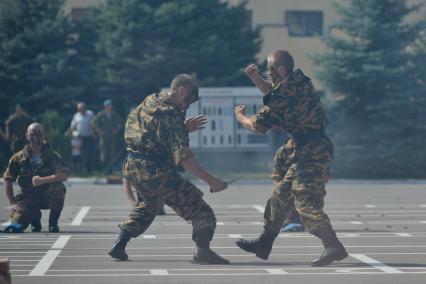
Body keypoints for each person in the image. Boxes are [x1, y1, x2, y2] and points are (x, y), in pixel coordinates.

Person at [234, 50, 347, 266]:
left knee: (303, 201)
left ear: (281, 70)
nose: (268, 73)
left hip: (312, 151)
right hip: (307, 147)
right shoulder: (300, 80)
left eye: (270, 70)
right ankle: (264, 243)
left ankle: (333, 246)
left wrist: (239, 116)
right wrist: (255, 78)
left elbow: (257, 126)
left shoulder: (282, 96)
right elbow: (275, 91)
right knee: (280, 196)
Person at [108, 74, 229, 264]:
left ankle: (119, 245)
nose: (188, 106)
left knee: (149, 206)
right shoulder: (171, 114)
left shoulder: (150, 101)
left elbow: (151, 133)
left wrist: (183, 129)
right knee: (202, 212)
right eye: (188, 101)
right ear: (182, 91)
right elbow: (185, 159)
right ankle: (203, 251)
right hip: (157, 171)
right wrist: (211, 181)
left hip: (133, 167)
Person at [2, 123, 69, 233]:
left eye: (39, 134)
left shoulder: (52, 156)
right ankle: (34, 217)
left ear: (44, 136)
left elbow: (64, 174)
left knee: (58, 188)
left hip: (46, 195)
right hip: (27, 197)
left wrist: (43, 180)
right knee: (15, 226)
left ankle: (53, 223)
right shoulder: (18, 157)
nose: (36, 137)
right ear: (27, 136)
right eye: (32, 134)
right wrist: (13, 203)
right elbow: (7, 179)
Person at [271, 139, 305, 233]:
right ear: (286, 144)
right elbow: (276, 173)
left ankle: (297, 222)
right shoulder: (280, 153)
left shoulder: (301, 151)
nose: (293, 145)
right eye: (291, 143)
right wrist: (279, 188)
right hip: (284, 180)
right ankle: (285, 222)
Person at [92, 100, 123, 171]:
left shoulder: (114, 114)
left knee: (112, 153)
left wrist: (117, 129)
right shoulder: (101, 114)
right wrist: (98, 130)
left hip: (112, 136)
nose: (109, 107)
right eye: (108, 106)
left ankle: (110, 169)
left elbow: (121, 122)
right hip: (103, 136)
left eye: (110, 105)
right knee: (103, 153)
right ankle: (103, 169)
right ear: (105, 106)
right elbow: (93, 122)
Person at [70, 102, 95, 173]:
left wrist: (95, 132)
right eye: (79, 109)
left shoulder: (90, 114)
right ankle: (80, 169)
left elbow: (94, 123)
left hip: (88, 136)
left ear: (85, 108)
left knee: (88, 153)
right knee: (80, 153)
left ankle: (88, 169)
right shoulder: (76, 116)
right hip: (79, 137)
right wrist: (74, 134)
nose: (81, 110)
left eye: (82, 108)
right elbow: (72, 127)